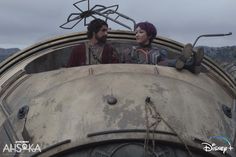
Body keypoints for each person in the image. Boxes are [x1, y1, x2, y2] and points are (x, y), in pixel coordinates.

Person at [127, 21, 204, 74]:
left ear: (149, 35)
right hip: (138, 75)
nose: (137, 35)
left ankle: (192, 65)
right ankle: (188, 63)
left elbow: (166, 65)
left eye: (141, 32)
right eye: (136, 32)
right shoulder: (132, 51)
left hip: (157, 75)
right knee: (169, 63)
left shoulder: (157, 51)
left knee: (169, 63)